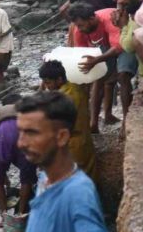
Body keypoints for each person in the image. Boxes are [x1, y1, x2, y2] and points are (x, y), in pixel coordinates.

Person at [16, 92, 107, 232]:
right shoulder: (46, 178)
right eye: (20, 132)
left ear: (62, 137)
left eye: (32, 133)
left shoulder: (78, 195)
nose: (21, 143)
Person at [67, 2, 123, 133]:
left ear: (92, 19)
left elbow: (118, 47)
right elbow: (81, 53)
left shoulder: (110, 19)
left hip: (122, 40)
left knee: (119, 76)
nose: (79, 29)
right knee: (98, 78)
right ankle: (93, 123)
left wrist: (97, 60)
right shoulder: (78, 30)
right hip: (104, 45)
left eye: (81, 25)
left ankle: (113, 116)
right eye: (77, 26)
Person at [39, 60, 96, 178]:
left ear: (59, 80)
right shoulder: (75, 87)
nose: (46, 87)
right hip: (85, 142)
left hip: (71, 147)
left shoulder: (61, 100)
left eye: (48, 83)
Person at [0, 94, 36, 222]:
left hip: (2, 135)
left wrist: (4, 176)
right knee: (27, 177)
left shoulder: (0, 111)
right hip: (24, 134)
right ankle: (21, 213)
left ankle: (4, 215)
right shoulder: (26, 109)